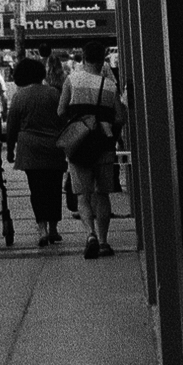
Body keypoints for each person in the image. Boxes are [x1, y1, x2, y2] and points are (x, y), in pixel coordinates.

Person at [58, 34, 122, 259]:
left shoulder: (72, 80)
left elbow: (61, 110)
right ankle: (104, 242)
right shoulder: (110, 85)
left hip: (79, 144)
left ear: (83, 57)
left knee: (83, 195)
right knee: (102, 194)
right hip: (103, 144)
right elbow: (120, 117)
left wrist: (77, 120)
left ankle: (90, 235)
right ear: (103, 59)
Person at [3, 55, 64, 246]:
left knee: (36, 189)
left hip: (30, 150)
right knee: (54, 189)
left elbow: (12, 126)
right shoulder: (54, 93)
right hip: (54, 147)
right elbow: (63, 119)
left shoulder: (19, 96)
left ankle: (42, 229)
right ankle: (53, 228)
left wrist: (10, 150)